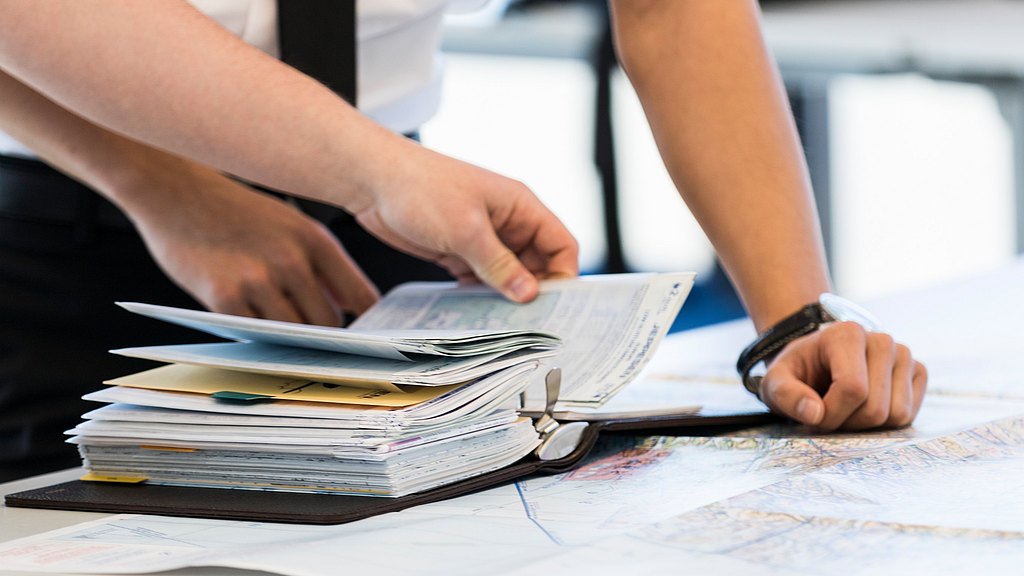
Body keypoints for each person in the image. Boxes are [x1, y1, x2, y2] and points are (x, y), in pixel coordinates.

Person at [0, 0, 926, 480]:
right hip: (67, 224)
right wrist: (163, 187)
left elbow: (675, 12)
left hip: (385, 240)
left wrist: (794, 318)